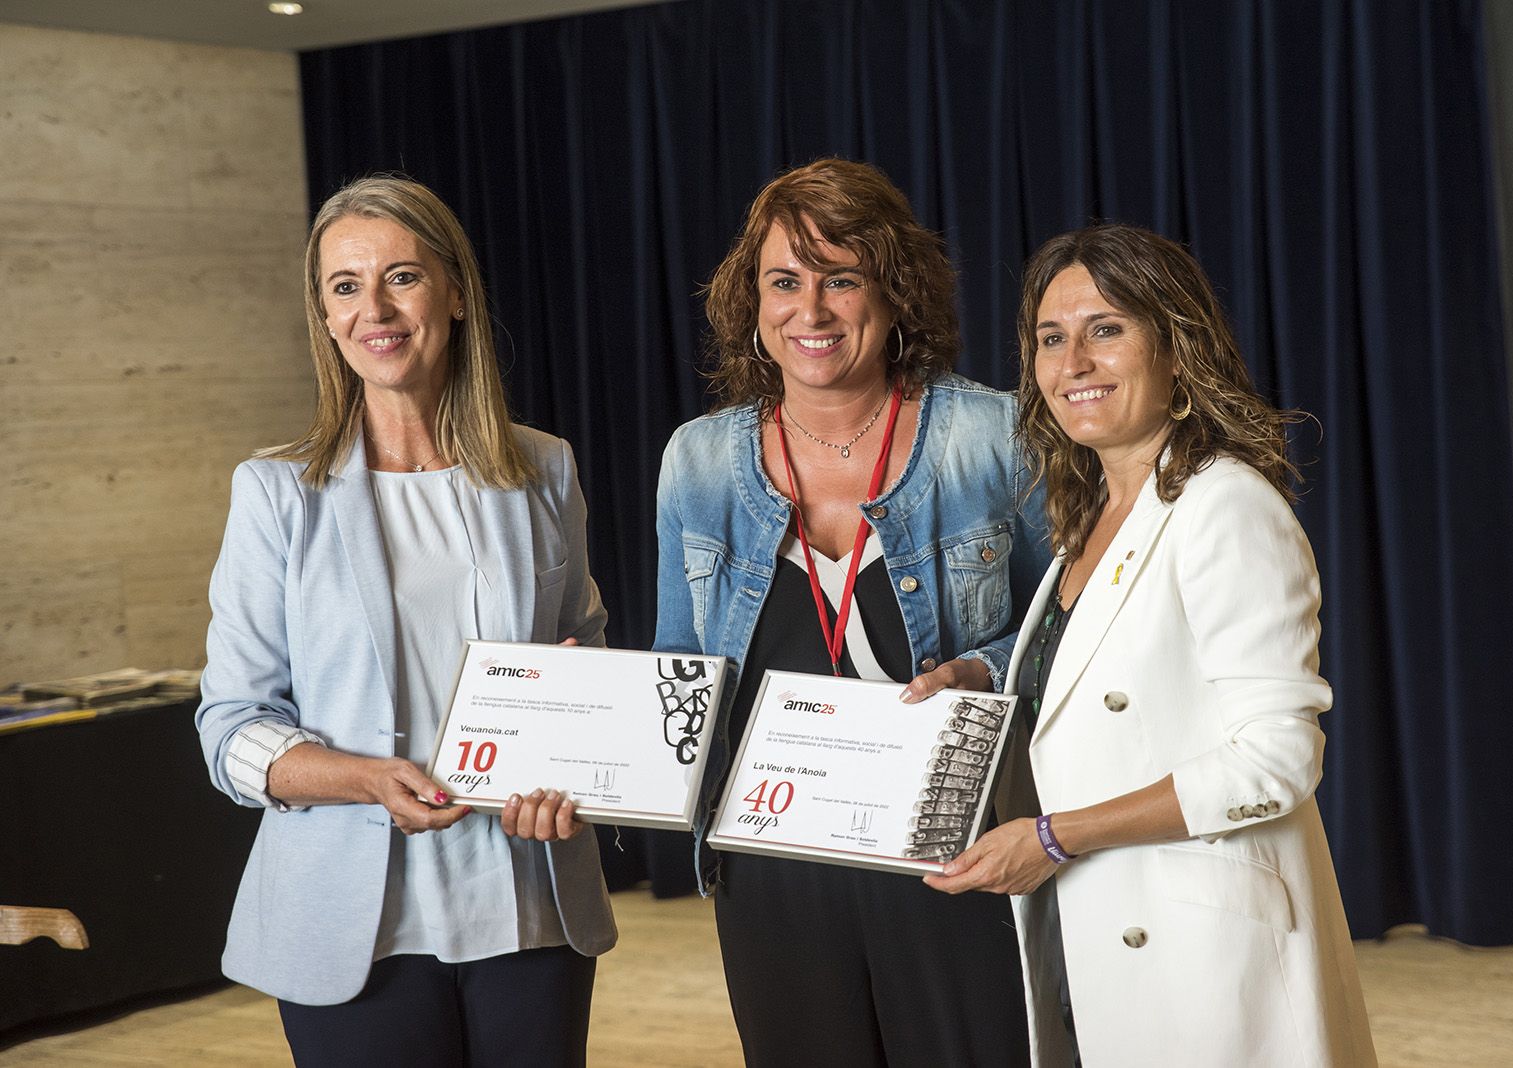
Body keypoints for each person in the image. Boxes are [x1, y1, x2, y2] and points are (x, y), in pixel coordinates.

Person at [926, 224, 1377, 1066]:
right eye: (1052, 340)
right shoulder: (1090, 517)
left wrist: (1056, 837)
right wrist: (983, 673)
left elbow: (1278, 759)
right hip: (1096, 922)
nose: (1074, 363)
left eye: (1107, 329)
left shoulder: (1225, 506)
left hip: (1199, 950)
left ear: (1177, 347)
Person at [196, 176, 615, 1067]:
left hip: (528, 905)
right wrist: (361, 777)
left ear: (455, 292)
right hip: (350, 928)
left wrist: (581, 755)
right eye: (345, 286)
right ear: (323, 313)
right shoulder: (275, 494)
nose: (374, 309)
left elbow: (589, 651)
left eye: (402, 277)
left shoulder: (544, 467)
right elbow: (231, 729)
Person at [653, 157, 1053, 1066]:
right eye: (784, 281)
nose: (813, 311)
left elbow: (1068, 629)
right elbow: (682, 664)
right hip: (770, 867)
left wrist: (981, 669)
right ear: (750, 300)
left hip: (952, 860)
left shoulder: (995, 435)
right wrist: (584, 721)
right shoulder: (699, 460)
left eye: (843, 278)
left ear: (895, 288)